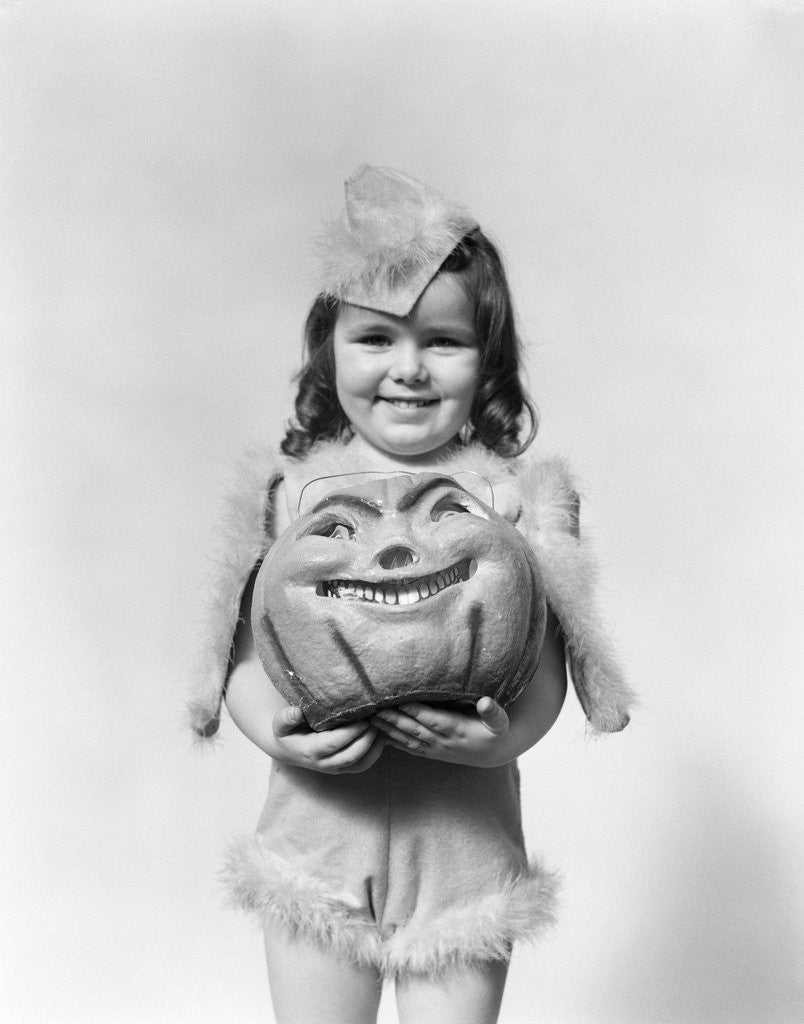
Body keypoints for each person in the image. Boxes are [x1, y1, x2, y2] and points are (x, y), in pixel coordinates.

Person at [189, 166, 633, 1024]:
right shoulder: (287, 500)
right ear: (328, 348)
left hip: (462, 859)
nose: (410, 369)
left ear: (487, 359)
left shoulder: (512, 504)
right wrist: (272, 727)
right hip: (315, 845)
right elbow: (242, 663)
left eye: (442, 341)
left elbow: (546, 679)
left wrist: (492, 740)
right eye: (377, 340)